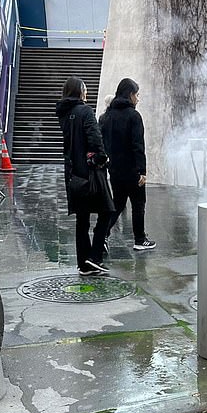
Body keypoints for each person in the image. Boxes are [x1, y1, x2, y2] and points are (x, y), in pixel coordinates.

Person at [55, 76, 113, 275]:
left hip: (73, 174)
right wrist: (101, 157)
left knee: (82, 218)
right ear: (79, 91)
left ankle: (84, 263)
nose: (86, 93)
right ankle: (95, 256)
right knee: (107, 211)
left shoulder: (64, 114)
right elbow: (95, 138)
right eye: (85, 90)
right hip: (90, 173)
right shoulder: (85, 111)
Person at [99, 78, 156, 252]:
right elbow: (138, 145)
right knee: (138, 204)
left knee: (118, 203)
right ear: (130, 95)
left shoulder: (106, 116)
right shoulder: (134, 116)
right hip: (132, 170)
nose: (138, 99)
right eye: (137, 95)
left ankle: (102, 235)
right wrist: (142, 171)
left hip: (115, 170)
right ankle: (140, 239)